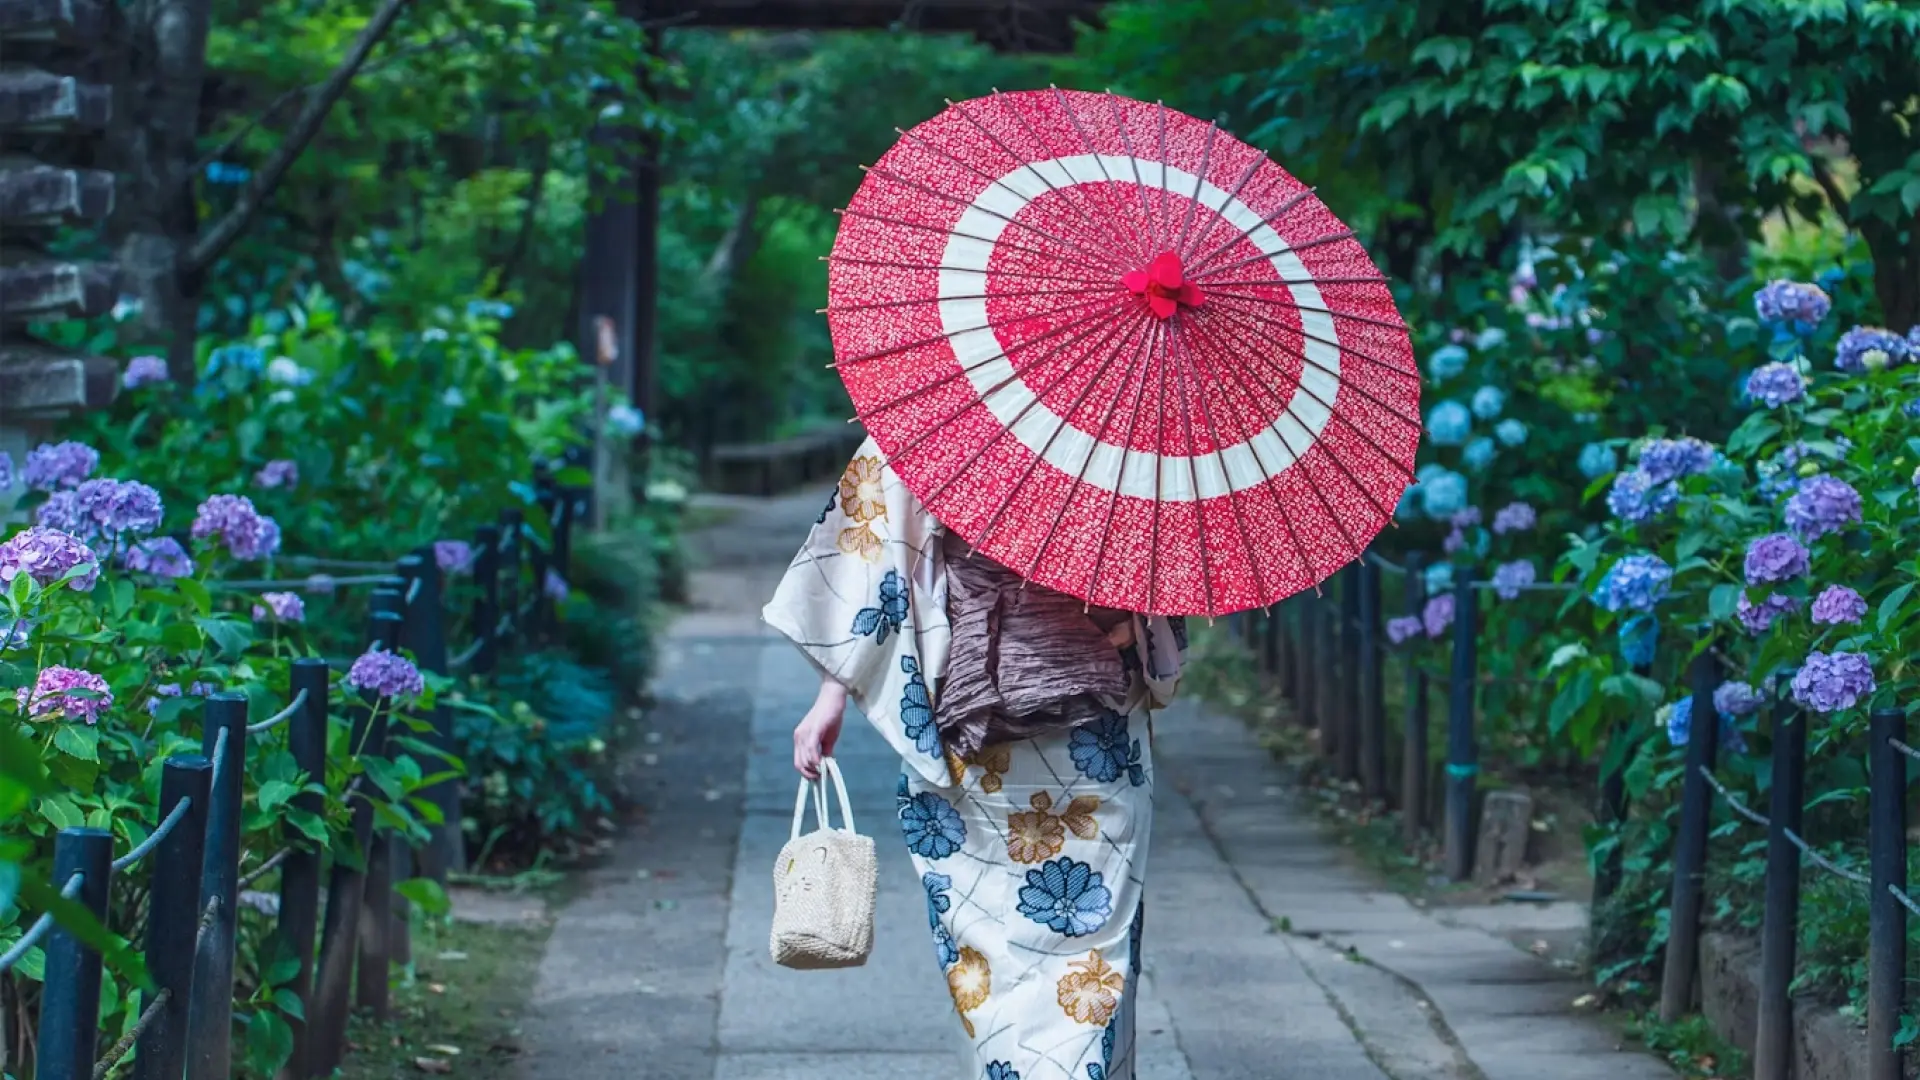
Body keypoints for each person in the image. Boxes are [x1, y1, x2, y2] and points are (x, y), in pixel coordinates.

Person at [763, 439, 1186, 1080]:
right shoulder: (1136, 436)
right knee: (1090, 951)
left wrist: (832, 694)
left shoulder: (943, 416)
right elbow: (1170, 587)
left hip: (972, 725)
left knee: (992, 955)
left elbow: (873, 559)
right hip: (1098, 729)